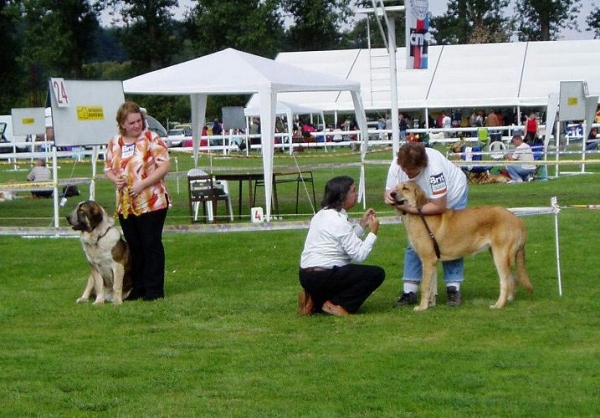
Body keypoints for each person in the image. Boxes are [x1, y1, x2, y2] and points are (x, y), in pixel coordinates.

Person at [384, 142, 468, 307]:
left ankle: (453, 289)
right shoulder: (396, 166)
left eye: (412, 169)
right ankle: (410, 290)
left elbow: (439, 205)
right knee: (416, 242)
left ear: (422, 165)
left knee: (452, 239)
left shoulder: (434, 169)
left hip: (451, 196)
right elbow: (389, 191)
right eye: (405, 168)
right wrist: (389, 197)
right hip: (417, 200)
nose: (407, 172)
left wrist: (409, 208)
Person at [104, 101, 171, 301]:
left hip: (151, 201)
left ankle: (154, 290)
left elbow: (164, 166)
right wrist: (114, 179)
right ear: (122, 124)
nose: (137, 125)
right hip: (126, 205)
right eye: (132, 122)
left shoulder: (152, 139)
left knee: (150, 243)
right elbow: (107, 168)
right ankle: (138, 286)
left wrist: (142, 184)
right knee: (134, 245)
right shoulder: (115, 142)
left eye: (139, 121)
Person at [298, 176, 385, 317]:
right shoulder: (339, 222)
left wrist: (362, 225)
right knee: (376, 274)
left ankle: (315, 299)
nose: (356, 194)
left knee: (344, 274)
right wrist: (373, 232)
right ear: (342, 196)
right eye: (353, 191)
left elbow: (345, 242)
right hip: (324, 276)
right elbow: (358, 255)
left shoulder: (321, 215)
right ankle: (339, 305)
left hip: (305, 276)